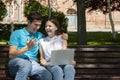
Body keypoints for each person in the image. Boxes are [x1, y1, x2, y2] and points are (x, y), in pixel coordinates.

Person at [7, 11, 52, 80]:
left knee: (46, 74)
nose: (37, 27)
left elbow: (53, 37)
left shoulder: (39, 35)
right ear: (28, 22)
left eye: (39, 25)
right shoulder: (17, 33)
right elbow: (11, 54)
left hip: (32, 64)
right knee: (25, 65)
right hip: (16, 62)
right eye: (35, 24)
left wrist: (62, 36)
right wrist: (27, 48)